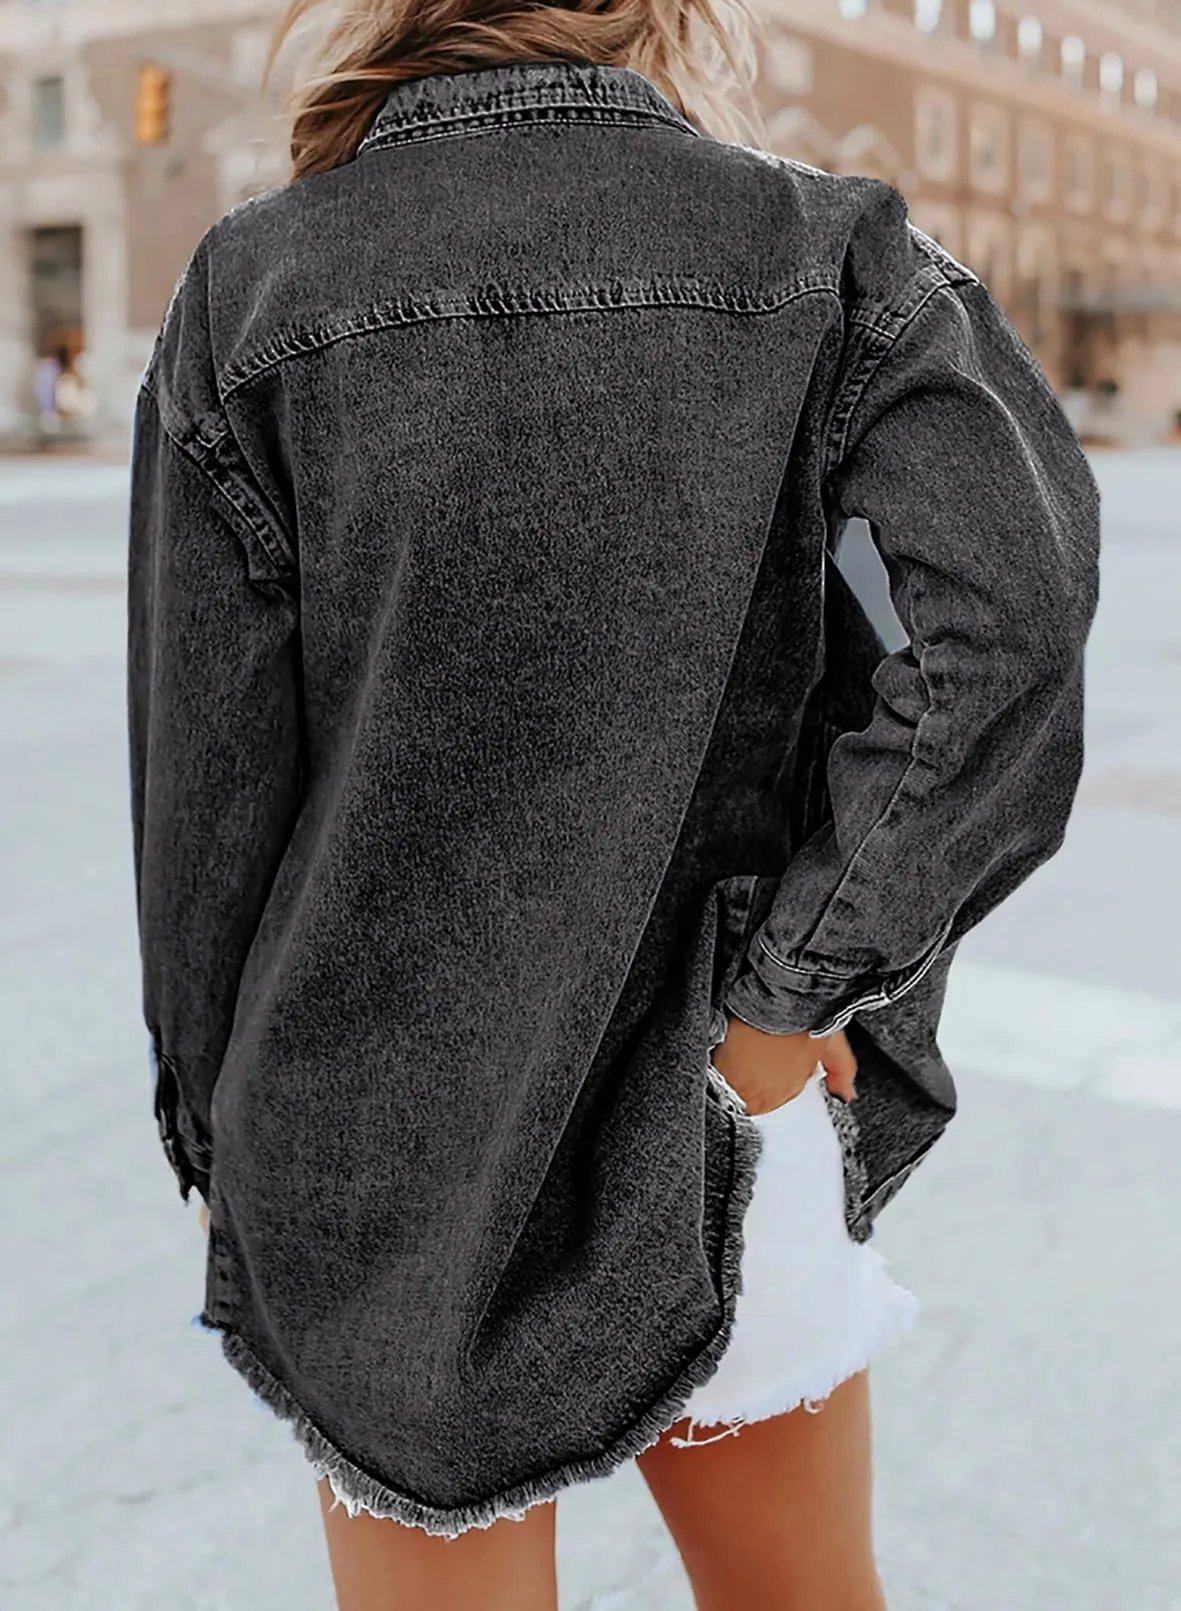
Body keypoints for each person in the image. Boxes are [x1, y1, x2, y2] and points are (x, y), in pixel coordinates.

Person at [126, 4, 1101, 1608]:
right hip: (709, 1094)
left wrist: (223, 1125)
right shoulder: (821, 250)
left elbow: (208, 789)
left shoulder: (258, 283)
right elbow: (1000, 635)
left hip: (376, 1136)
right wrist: (791, 997)